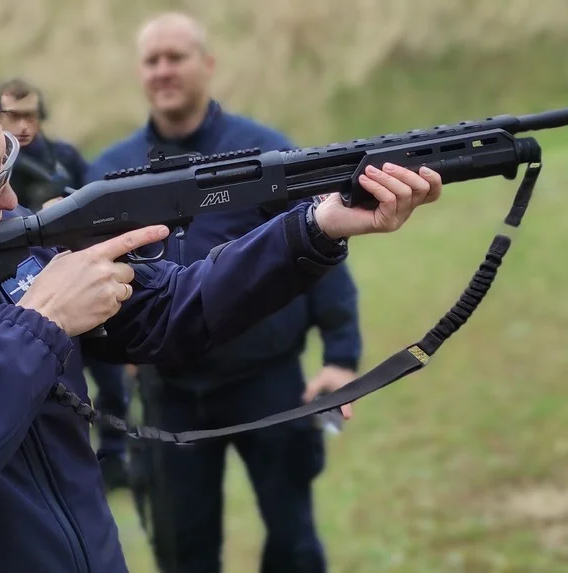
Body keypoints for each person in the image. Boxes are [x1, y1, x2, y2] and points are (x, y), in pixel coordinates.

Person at [0, 48, 440, 573]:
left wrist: (313, 226)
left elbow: (169, 311)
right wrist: (35, 325)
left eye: (5, 163)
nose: (10, 203)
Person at [86, 12, 362, 573]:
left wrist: (340, 358)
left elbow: (323, 252)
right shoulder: (110, 175)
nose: (164, 70)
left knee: (294, 540)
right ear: (140, 73)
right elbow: (89, 285)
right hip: (170, 397)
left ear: (207, 65)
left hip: (270, 382)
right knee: (184, 552)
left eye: (176, 57)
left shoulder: (268, 155)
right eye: (152, 60)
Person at [0, 76, 133, 490]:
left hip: (81, 272)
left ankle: (115, 458)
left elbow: (96, 200)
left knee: (110, 380)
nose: (22, 126)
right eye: (12, 115)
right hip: (26, 286)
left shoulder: (63, 157)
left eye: (30, 115)